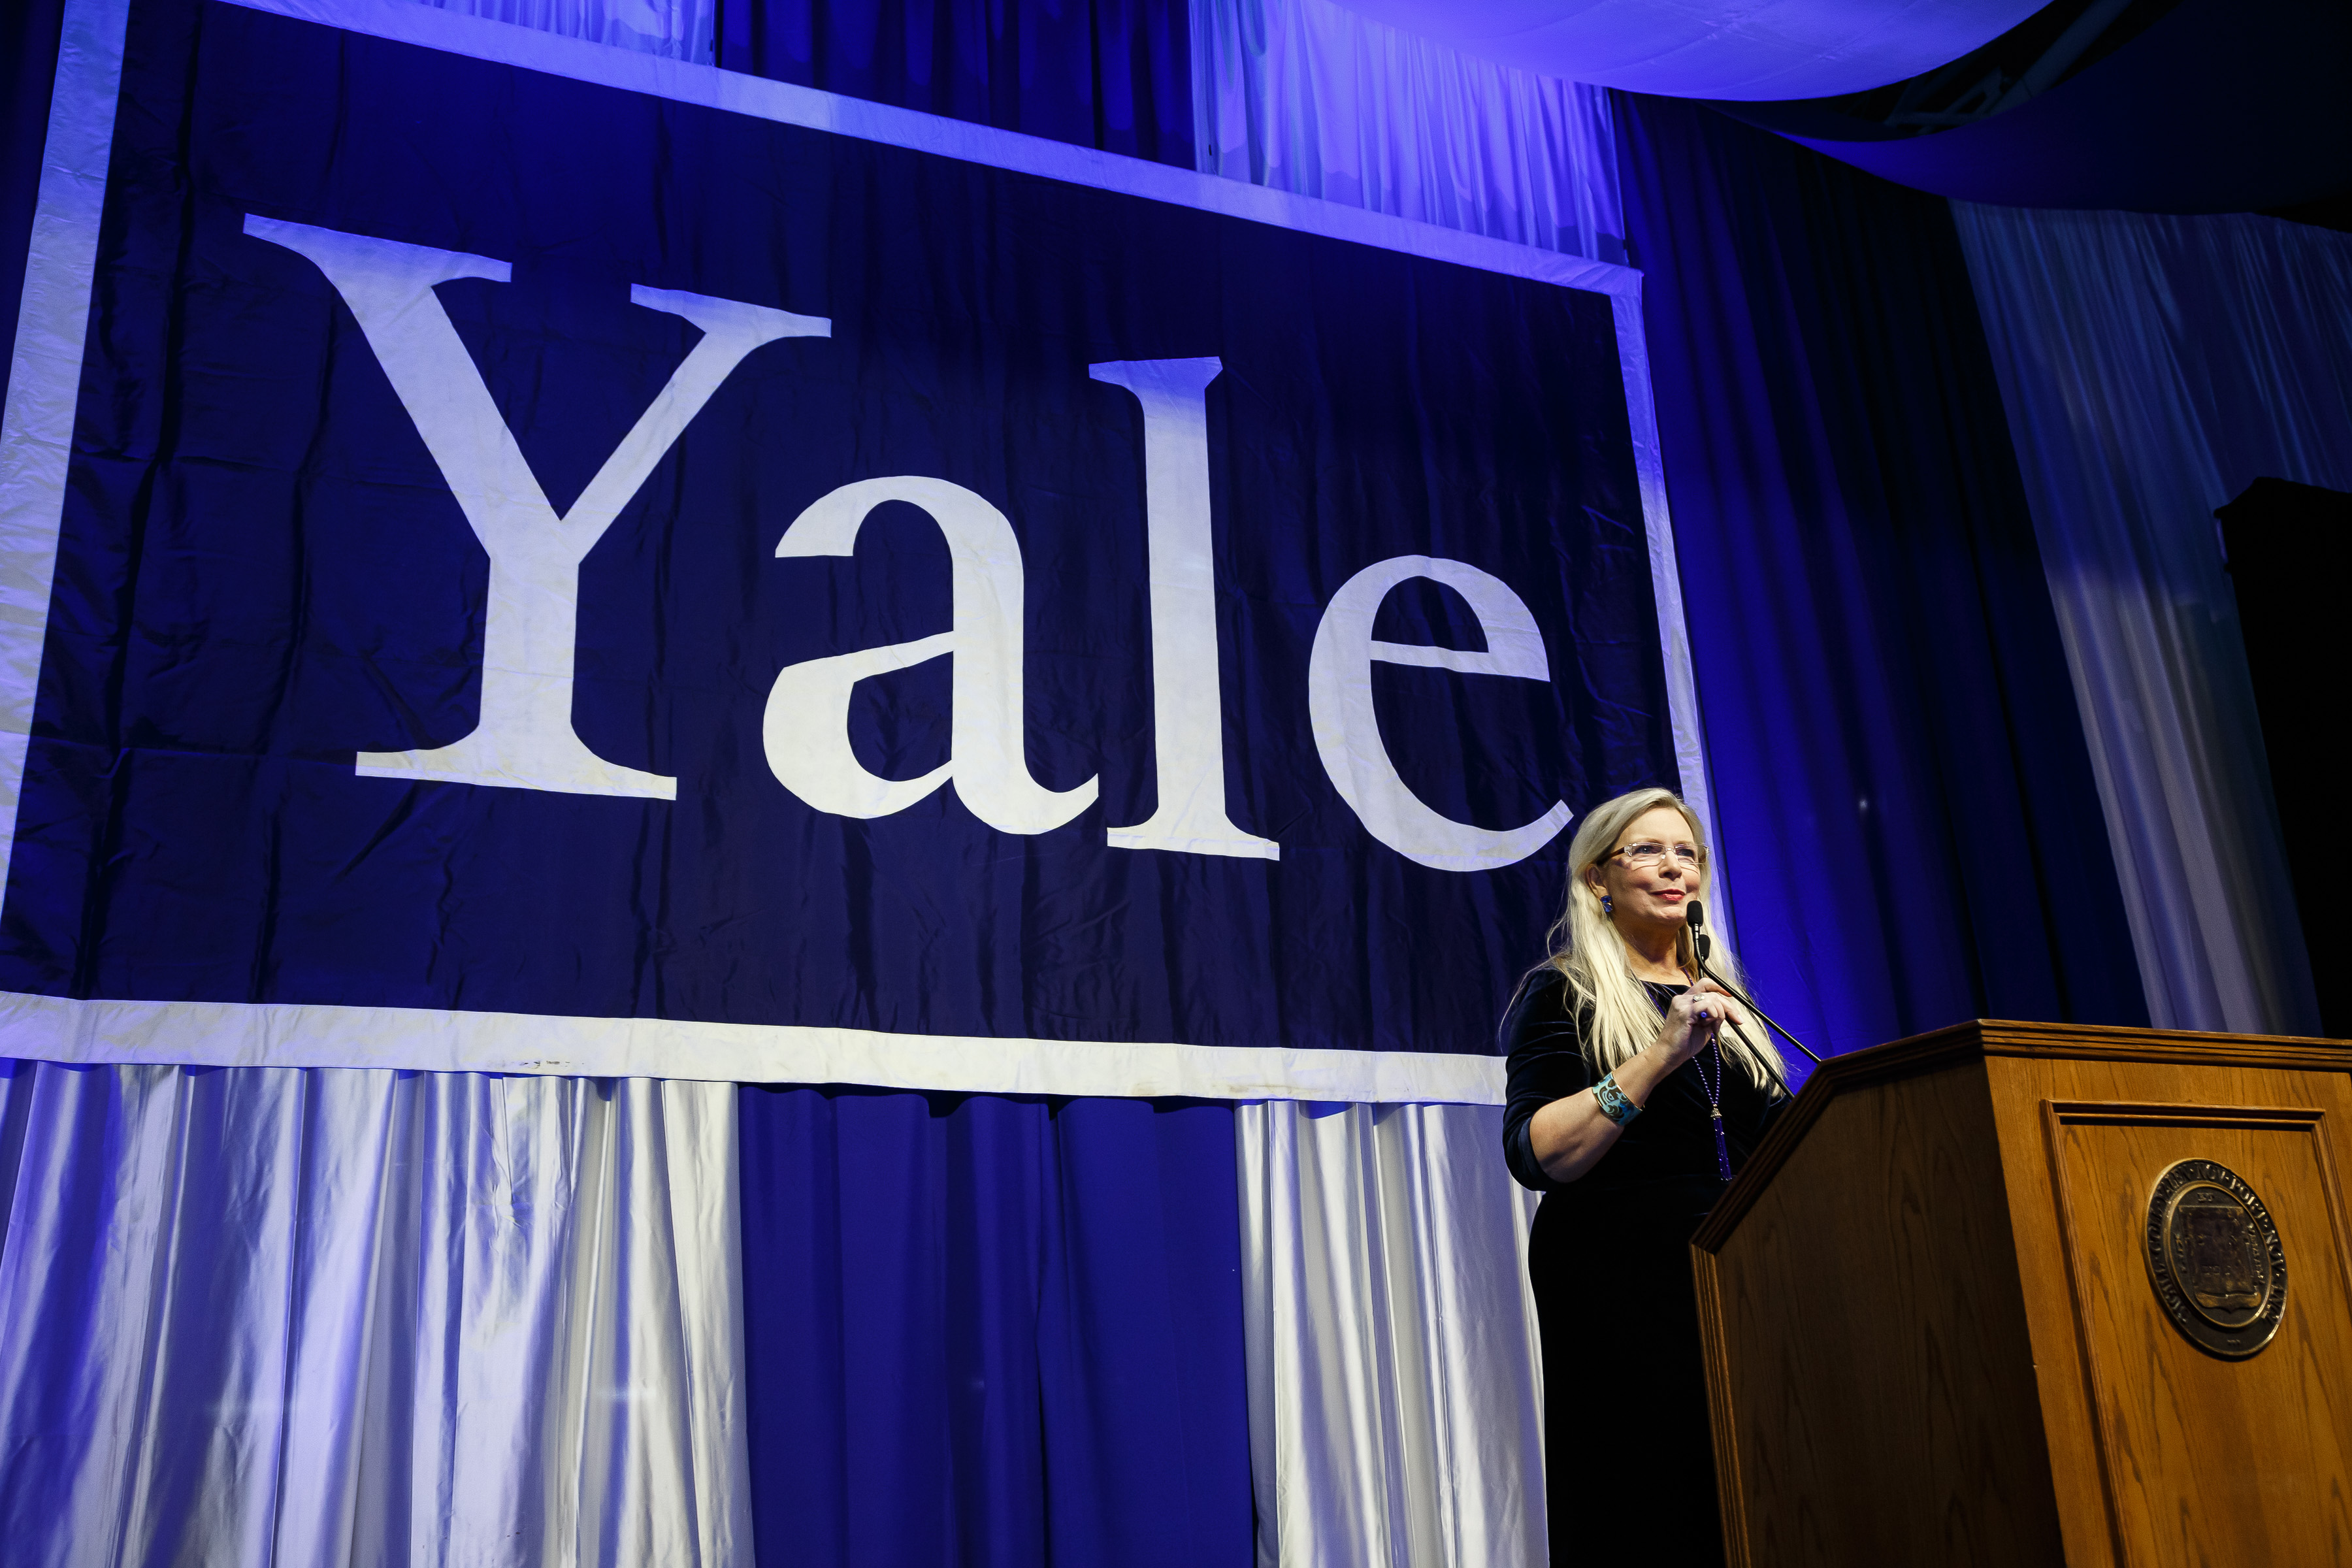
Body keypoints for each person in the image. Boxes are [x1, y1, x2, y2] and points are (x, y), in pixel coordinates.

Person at [1501, 786, 1788, 1567]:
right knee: (1647, 1509)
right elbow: (1537, 1152)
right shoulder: (1565, 993)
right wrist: (1660, 1054)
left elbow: (1790, 1152)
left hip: (1740, 1284)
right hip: (1619, 1285)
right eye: (1649, 851)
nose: (1675, 869)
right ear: (1598, 880)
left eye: (1687, 854)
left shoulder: (1729, 1009)